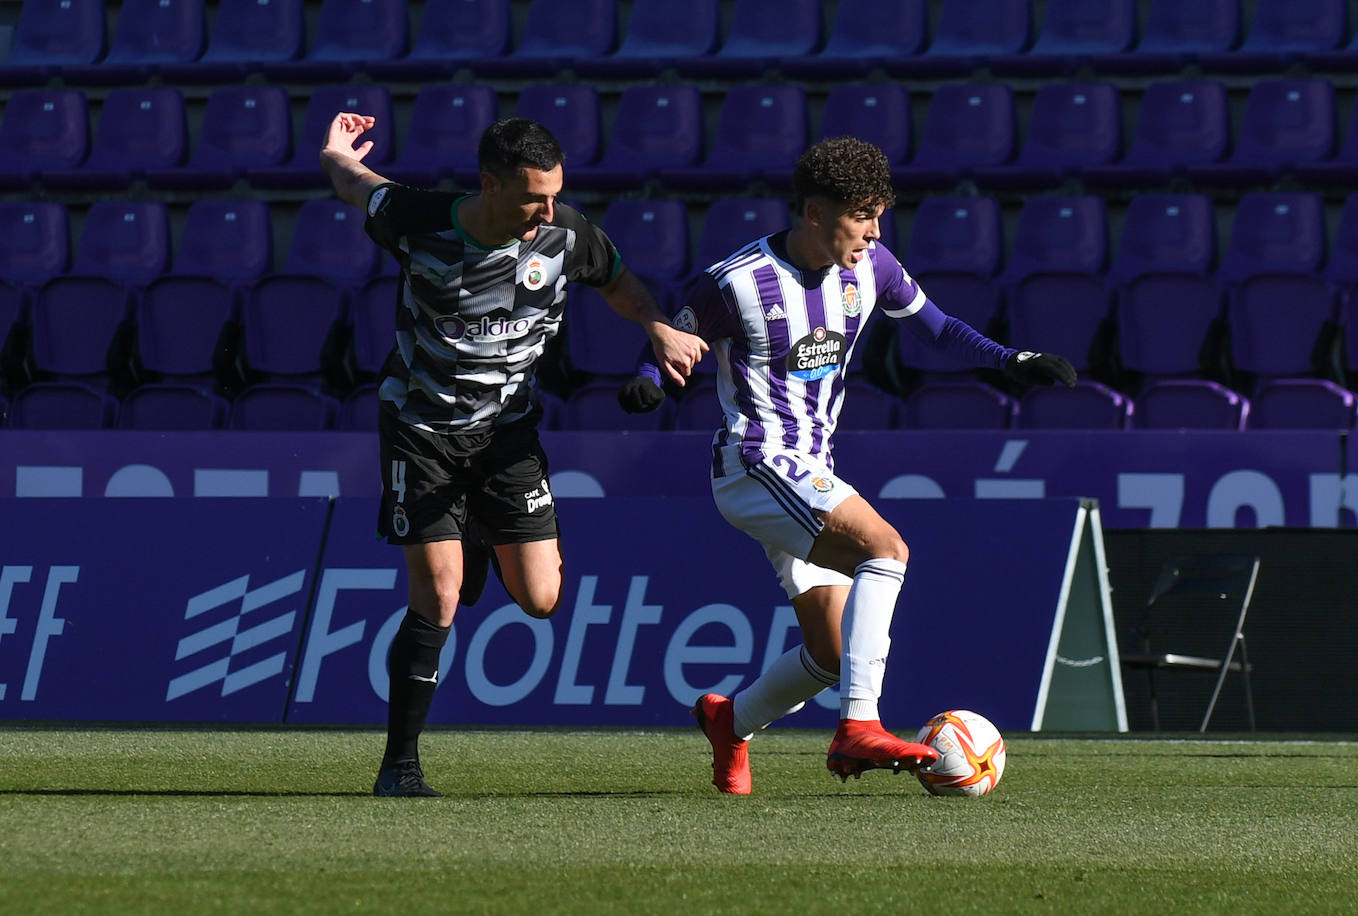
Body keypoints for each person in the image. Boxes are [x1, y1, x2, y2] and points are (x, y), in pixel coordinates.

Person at [618, 136, 1076, 794]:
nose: (875, 230)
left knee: (832, 653)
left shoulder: (875, 266)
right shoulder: (737, 280)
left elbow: (938, 328)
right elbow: (678, 335)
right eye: (862, 215)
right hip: (755, 459)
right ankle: (859, 724)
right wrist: (648, 381)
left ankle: (731, 721)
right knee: (886, 549)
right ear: (813, 212)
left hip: (807, 470)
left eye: (880, 214)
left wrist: (1013, 362)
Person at [320, 112, 708, 797]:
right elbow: (355, 183)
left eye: (555, 193)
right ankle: (399, 768)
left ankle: (468, 537)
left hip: (508, 436)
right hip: (421, 428)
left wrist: (655, 328)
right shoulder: (417, 219)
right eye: (534, 196)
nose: (548, 209)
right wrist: (334, 151)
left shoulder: (567, 234)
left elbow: (619, 281)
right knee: (438, 598)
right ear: (489, 183)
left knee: (540, 597)